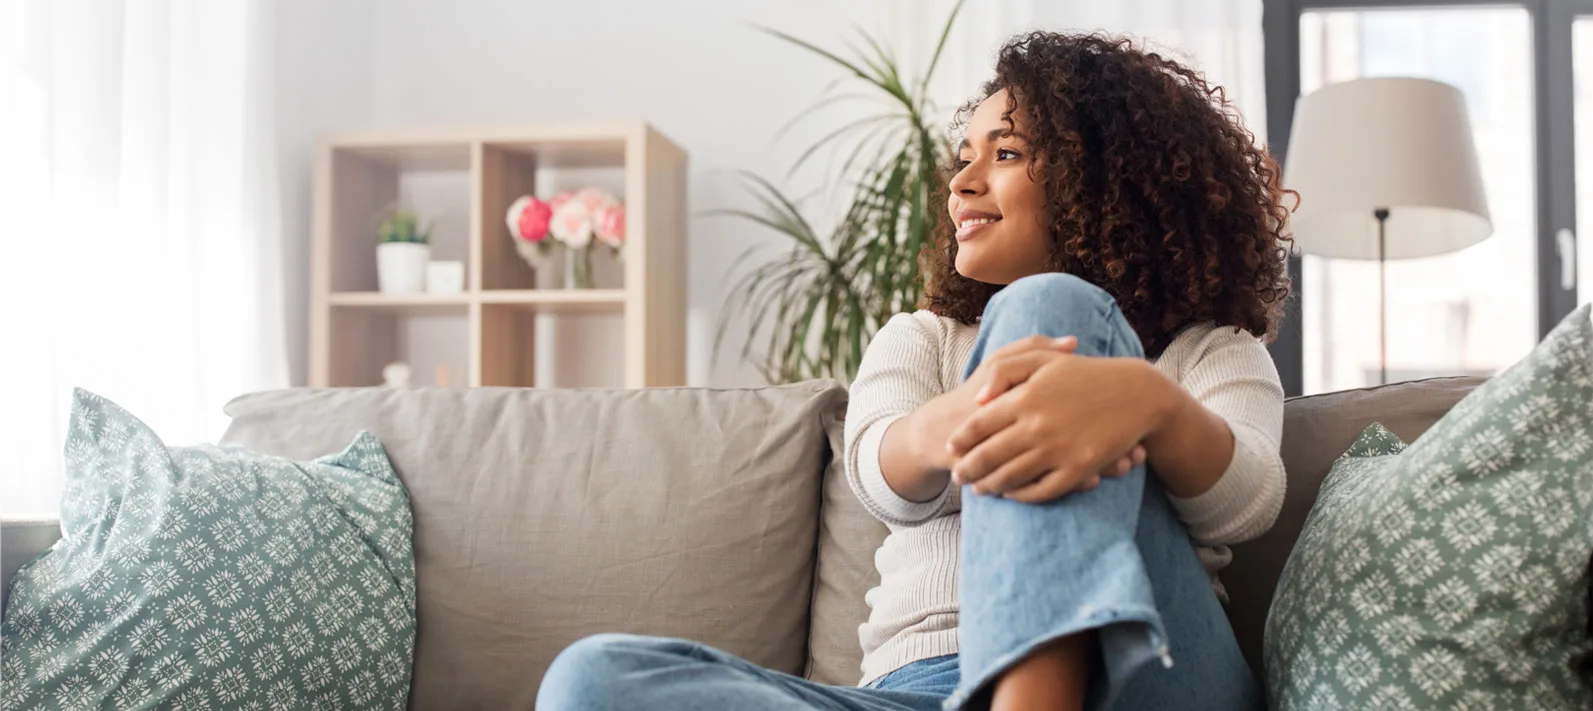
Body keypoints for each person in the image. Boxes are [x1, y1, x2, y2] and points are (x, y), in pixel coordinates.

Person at [537, 30, 1294, 711]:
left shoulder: (1212, 349)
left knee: (1050, 306)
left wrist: (1147, 403)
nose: (963, 183)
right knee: (591, 679)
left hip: (1143, 673)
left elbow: (1246, 501)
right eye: (963, 158)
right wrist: (960, 419)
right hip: (920, 690)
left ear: (1109, 179)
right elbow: (877, 470)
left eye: (1005, 153)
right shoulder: (923, 338)